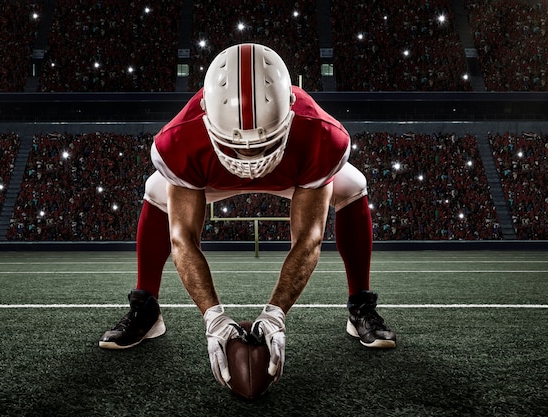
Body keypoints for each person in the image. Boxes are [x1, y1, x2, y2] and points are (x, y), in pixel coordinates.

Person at [99, 43, 396, 386]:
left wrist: (275, 316)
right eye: (236, 143)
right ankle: (146, 307)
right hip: (213, 176)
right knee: (156, 191)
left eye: (263, 143)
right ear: (206, 115)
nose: (248, 156)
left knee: (353, 185)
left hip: (292, 173)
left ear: (291, 109)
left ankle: (360, 304)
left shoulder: (320, 133)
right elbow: (183, 239)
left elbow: (309, 238)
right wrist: (213, 319)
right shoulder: (180, 139)